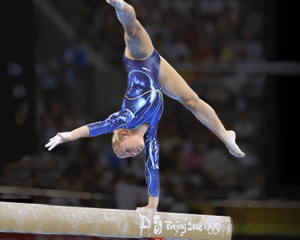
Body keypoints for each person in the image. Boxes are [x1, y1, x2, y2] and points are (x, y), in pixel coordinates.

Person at [45, 0, 245, 212]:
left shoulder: (125, 119)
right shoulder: (150, 137)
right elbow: (152, 169)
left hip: (139, 60)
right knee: (191, 101)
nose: (134, 153)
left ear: (123, 135)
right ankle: (225, 134)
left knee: (133, 30)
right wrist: (152, 206)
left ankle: (120, 5)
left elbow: (97, 127)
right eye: (131, 156)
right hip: (158, 75)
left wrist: (68, 136)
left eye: (128, 151)